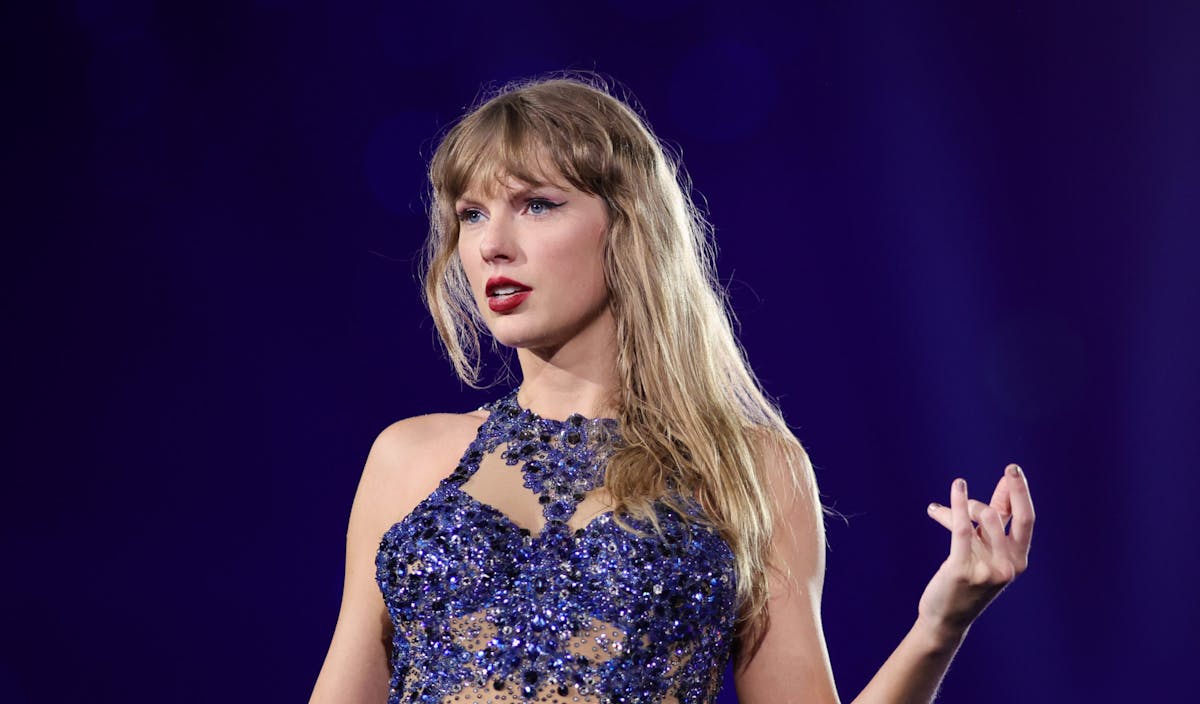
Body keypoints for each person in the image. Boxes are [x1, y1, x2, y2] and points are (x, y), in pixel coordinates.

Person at [309, 74, 1035, 704]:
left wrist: (940, 626)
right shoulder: (408, 460)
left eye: (536, 205)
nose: (492, 243)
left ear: (627, 226)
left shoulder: (748, 470)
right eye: (471, 214)